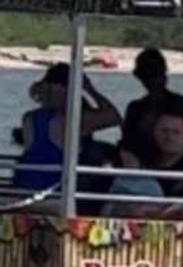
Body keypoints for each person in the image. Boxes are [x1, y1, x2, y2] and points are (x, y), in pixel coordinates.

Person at [13, 63, 121, 193]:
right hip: (55, 184)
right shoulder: (68, 120)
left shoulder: (29, 118)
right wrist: (90, 90)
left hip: (26, 180)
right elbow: (113, 117)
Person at [110, 111, 183, 218]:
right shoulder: (141, 157)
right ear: (153, 133)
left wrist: (165, 213)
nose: (169, 137)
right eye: (164, 131)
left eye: (176, 132)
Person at [121, 47, 183, 167]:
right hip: (142, 167)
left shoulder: (181, 105)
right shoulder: (135, 109)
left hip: (179, 167)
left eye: (154, 74)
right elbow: (127, 145)